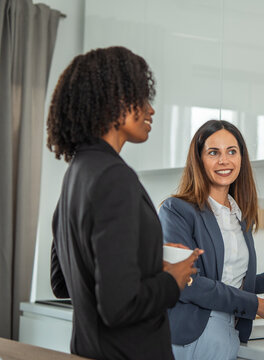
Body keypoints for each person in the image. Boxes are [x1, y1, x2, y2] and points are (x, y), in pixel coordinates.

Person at [48, 46, 202, 360]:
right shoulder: (114, 178)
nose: (151, 110)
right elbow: (119, 306)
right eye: (142, 98)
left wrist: (146, 267)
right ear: (116, 102)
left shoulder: (78, 173)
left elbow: (63, 282)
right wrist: (171, 280)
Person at [159, 120, 264, 360]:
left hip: (232, 329)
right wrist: (256, 305)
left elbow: (225, 278)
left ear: (241, 158)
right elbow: (187, 283)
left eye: (232, 151)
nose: (224, 160)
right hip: (193, 332)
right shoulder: (177, 210)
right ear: (199, 160)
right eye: (213, 152)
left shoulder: (239, 214)